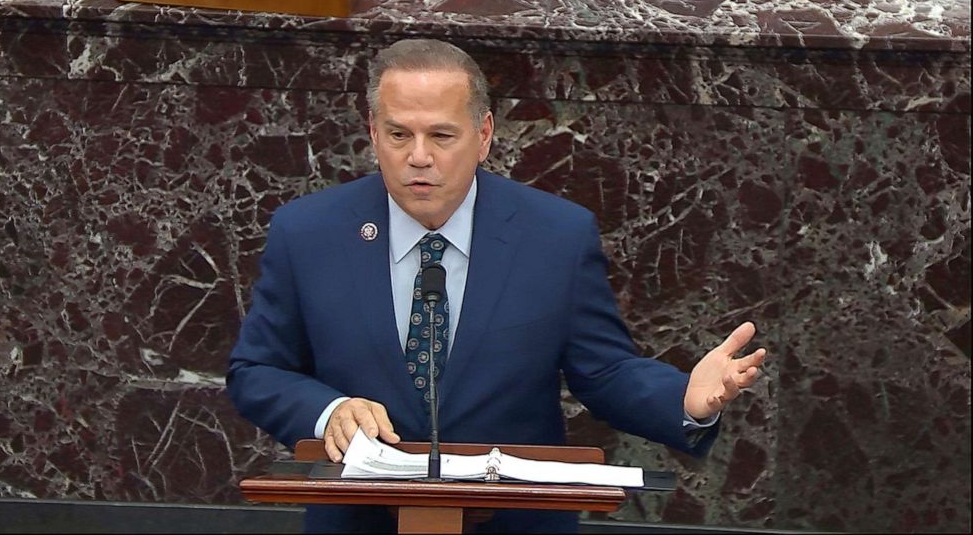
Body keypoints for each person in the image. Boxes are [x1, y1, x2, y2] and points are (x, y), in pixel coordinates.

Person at [227, 38, 768, 533]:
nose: (419, 156)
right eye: (398, 135)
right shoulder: (309, 232)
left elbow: (603, 371)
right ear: (372, 133)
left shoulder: (555, 235)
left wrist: (685, 400)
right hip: (360, 520)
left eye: (441, 135)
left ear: (483, 135)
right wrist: (329, 412)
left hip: (514, 521)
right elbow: (257, 370)